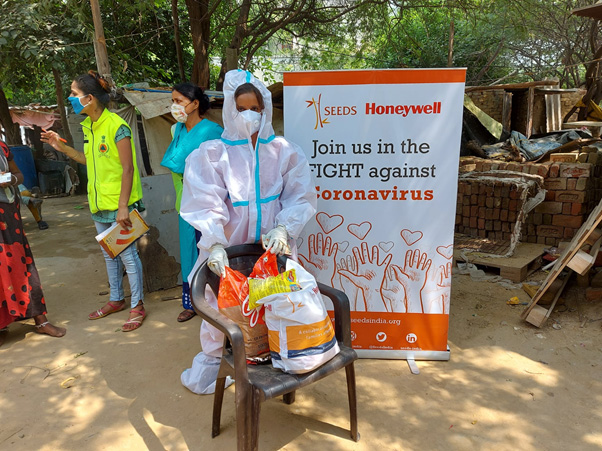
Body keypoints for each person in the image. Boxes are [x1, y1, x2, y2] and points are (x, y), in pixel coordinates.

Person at [179, 70, 317, 394]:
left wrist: (285, 227)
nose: (249, 115)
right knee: (219, 303)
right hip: (229, 245)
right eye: (241, 108)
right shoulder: (213, 153)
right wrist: (212, 242)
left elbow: (300, 195)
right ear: (230, 109)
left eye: (255, 107)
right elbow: (204, 201)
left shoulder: (284, 150)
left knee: (276, 300)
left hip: (273, 245)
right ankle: (216, 364)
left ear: (265, 108)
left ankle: (274, 355)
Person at [41, 71, 146, 332]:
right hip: (98, 205)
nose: (71, 98)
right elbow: (91, 161)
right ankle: (116, 300)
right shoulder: (89, 126)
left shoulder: (117, 127)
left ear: (89, 99)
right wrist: (62, 148)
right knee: (108, 254)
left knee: (128, 256)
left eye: (74, 94)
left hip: (119, 205)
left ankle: (138, 306)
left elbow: (128, 168)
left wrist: (123, 206)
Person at [161, 82, 223, 323]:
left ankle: (215, 301)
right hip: (183, 202)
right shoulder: (176, 130)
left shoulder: (213, 131)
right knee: (188, 251)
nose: (174, 105)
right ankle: (191, 302)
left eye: (179, 101)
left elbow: (219, 169)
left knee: (210, 250)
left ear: (195, 104)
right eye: (173, 101)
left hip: (207, 202)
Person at [0, 139, 66, 346]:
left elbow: (18, 175)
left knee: (22, 264)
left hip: (8, 213)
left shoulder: (1, 147)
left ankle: (40, 320)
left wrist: (9, 180)